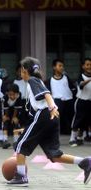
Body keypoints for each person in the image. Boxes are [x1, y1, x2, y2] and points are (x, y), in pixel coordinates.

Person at [8, 57, 91, 186]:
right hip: (49, 119)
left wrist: (52, 107)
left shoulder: (32, 80)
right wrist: (26, 129)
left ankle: (21, 177)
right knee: (53, 155)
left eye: (21, 70)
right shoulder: (37, 81)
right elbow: (37, 114)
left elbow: (46, 94)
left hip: (45, 114)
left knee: (20, 145)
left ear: (24, 70)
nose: (20, 73)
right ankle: (84, 162)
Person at [46, 59, 76, 135]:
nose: (62, 67)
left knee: (70, 117)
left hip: (69, 100)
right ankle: (58, 132)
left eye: (62, 66)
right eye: (59, 66)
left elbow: (73, 88)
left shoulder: (66, 78)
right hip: (57, 101)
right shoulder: (50, 80)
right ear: (54, 67)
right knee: (58, 118)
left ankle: (70, 132)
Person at [69, 58, 91, 147]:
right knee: (78, 120)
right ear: (83, 66)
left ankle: (80, 138)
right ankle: (72, 138)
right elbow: (81, 85)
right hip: (81, 101)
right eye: (87, 64)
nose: (89, 66)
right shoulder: (81, 76)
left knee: (86, 121)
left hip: (90, 102)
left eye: (90, 64)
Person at [2, 84, 23, 149]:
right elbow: (6, 108)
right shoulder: (5, 97)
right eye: (10, 95)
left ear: (17, 93)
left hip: (17, 111)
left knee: (15, 122)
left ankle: (16, 141)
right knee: (5, 122)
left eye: (13, 94)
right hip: (7, 111)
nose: (12, 96)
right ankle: (5, 140)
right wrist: (6, 116)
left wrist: (14, 117)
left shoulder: (19, 96)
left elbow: (16, 108)